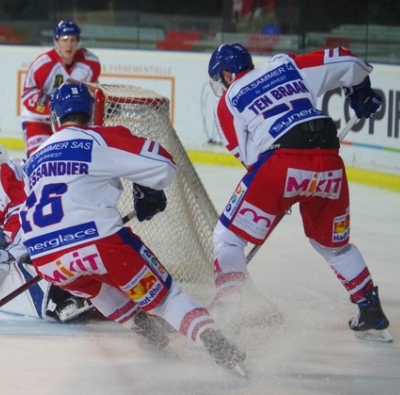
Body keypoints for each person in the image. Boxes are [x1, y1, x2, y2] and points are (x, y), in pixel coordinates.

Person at [20, 82, 248, 373]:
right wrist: (145, 187)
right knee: (167, 300)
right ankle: (213, 340)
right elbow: (164, 166)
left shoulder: (33, 160)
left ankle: (143, 330)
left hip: (47, 260)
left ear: (54, 118)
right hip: (99, 244)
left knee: (96, 290)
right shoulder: (97, 139)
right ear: (90, 114)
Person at [206, 43, 391, 341]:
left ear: (226, 74)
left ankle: (230, 311)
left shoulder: (227, 101)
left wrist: (284, 192)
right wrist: (362, 90)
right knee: (334, 247)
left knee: (228, 238)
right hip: (330, 160)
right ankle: (370, 310)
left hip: (281, 164)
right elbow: (345, 58)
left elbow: (251, 160)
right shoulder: (285, 64)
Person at [0, 134, 96, 322]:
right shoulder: (13, 169)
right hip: (70, 223)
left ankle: (62, 298)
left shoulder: (0, 176)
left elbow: (21, 218)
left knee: (2, 263)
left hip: (51, 231)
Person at [20, 20, 100, 156]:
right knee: (39, 158)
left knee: (75, 160)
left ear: (78, 42)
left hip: (72, 122)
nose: (69, 44)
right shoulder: (43, 65)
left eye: (73, 40)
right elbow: (28, 94)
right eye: (64, 40)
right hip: (39, 121)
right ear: (56, 42)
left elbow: (93, 91)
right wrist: (55, 108)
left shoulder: (91, 63)